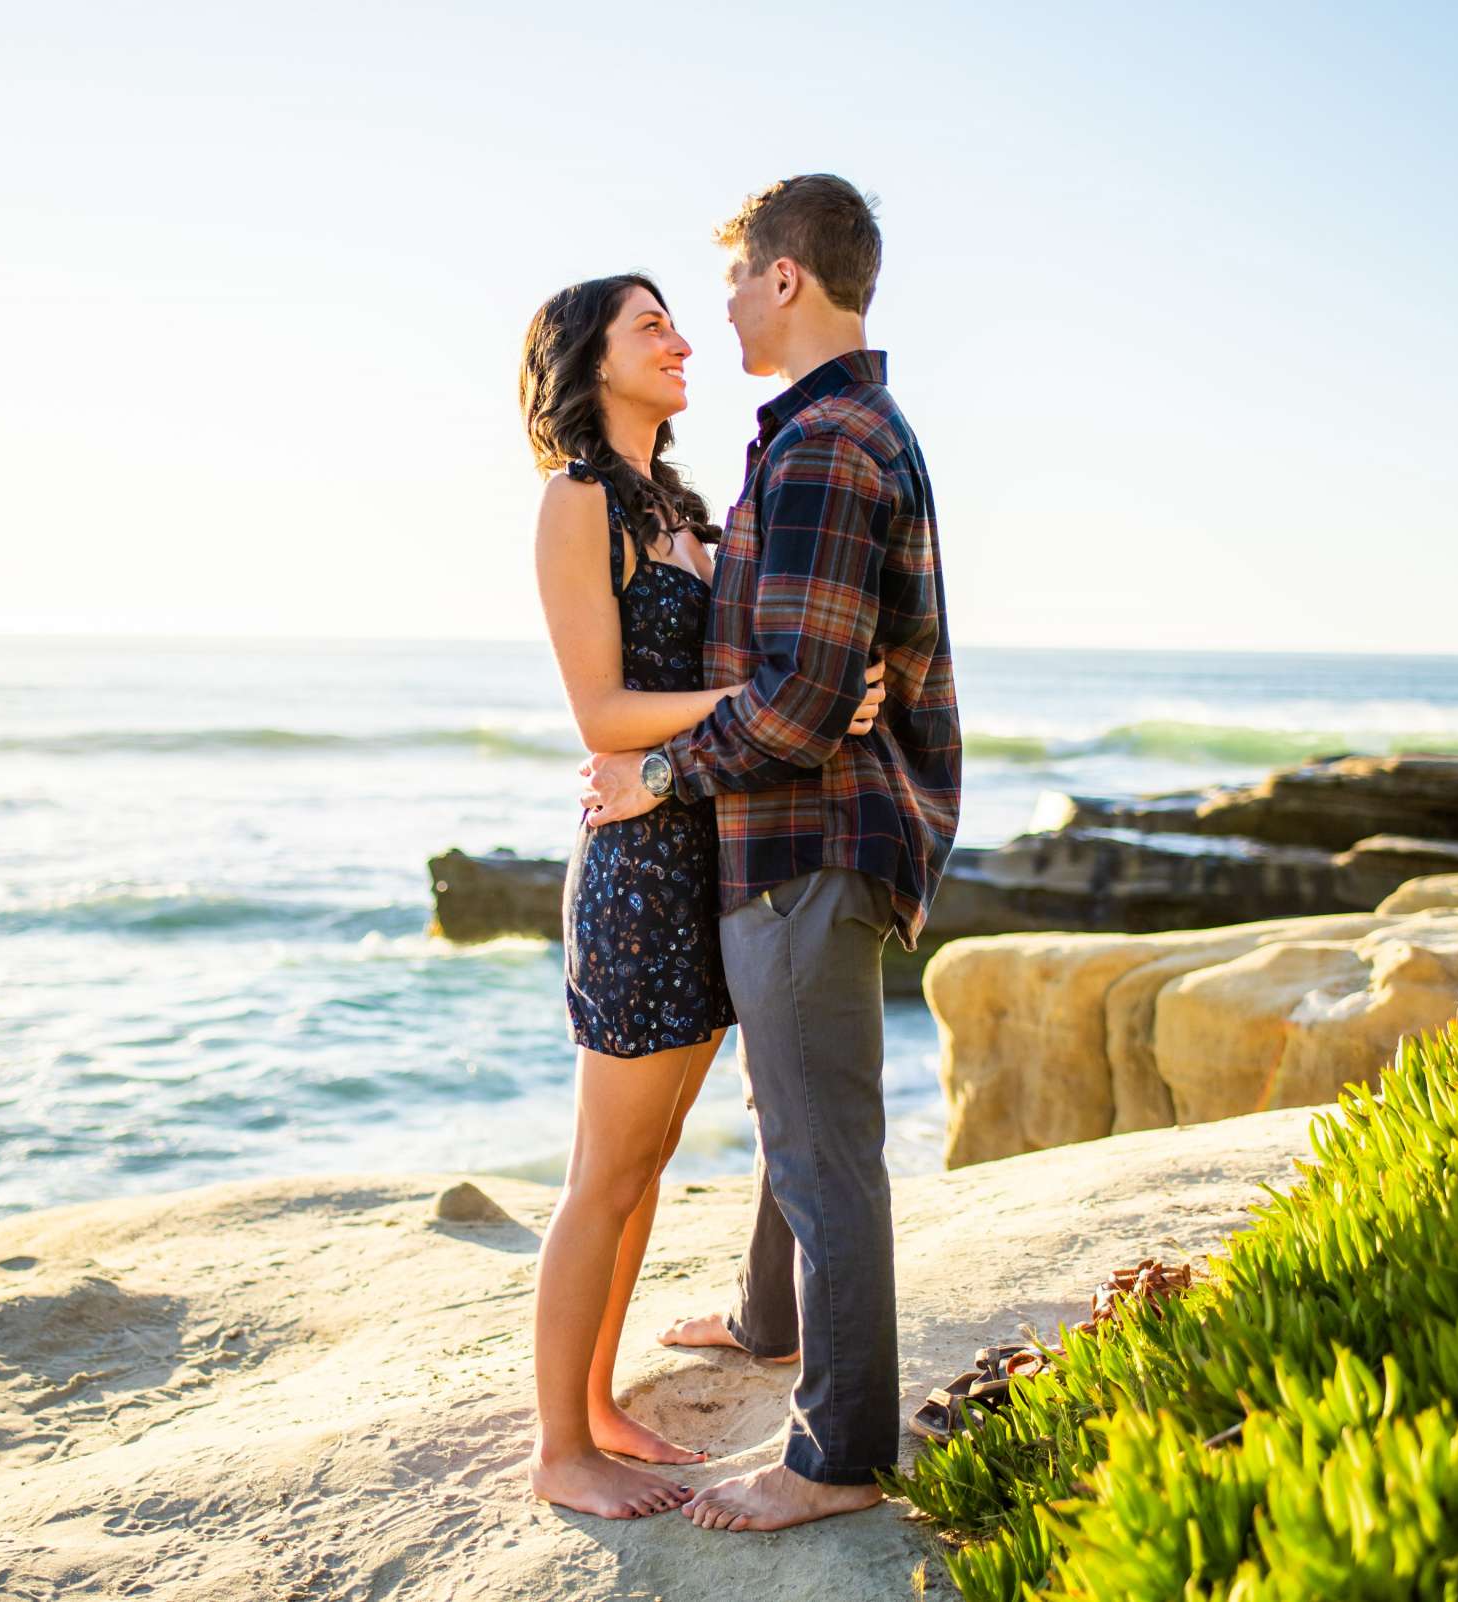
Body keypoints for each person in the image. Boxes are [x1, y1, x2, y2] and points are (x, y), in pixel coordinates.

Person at [577, 175, 962, 1533]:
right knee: (788, 1112)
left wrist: (659, 774)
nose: (722, 304)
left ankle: (837, 1453)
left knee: (822, 1144)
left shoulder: (824, 444)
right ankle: (765, 1311)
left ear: (787, 278)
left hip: (810, 835)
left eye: (735, 276)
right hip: (812, 831)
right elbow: (822, 660)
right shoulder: (831, 434)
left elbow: (799, 701)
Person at [517, 271, 888, 1520]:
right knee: (603, 1171)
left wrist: (833, 689)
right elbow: (604, 715)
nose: (681, 339)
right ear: (588, 359)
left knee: (652, 1159)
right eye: (649, 324)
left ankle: (601, 1401)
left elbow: (779, 658)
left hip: (708, 857)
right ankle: (559, 1449)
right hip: (635, 868)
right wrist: (772, 708)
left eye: (680, 316)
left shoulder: (683, 502)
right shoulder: (575, 505)